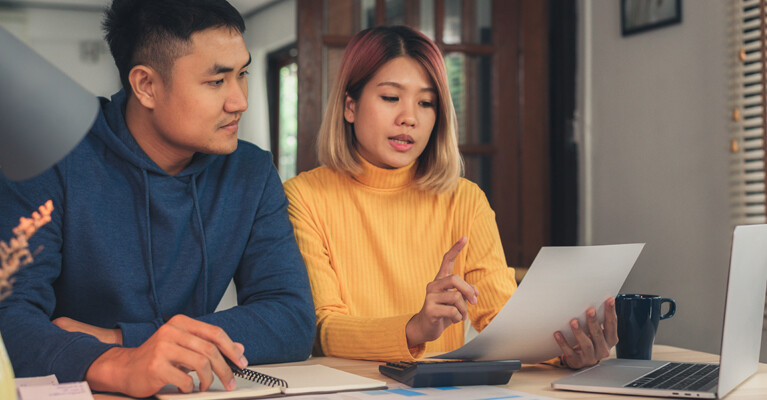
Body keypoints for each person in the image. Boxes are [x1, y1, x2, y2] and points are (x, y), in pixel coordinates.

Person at [0, 0, 315, 397]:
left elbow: (291, 317)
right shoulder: (48, 154)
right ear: (146, 85)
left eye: (243, 74)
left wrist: (120, 340)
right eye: (216, 81)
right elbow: (9, 317)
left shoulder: (249, 170)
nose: (239, 101)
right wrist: (117, 365)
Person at [283, 25, 617, 369]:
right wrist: (415, 328)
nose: (409, 118)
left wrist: (567, 351)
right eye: (390, 97)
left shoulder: (465, 200)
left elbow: (505, 324)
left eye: (426, 102)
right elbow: (323, 329)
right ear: (349, 106)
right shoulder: (305, 197)